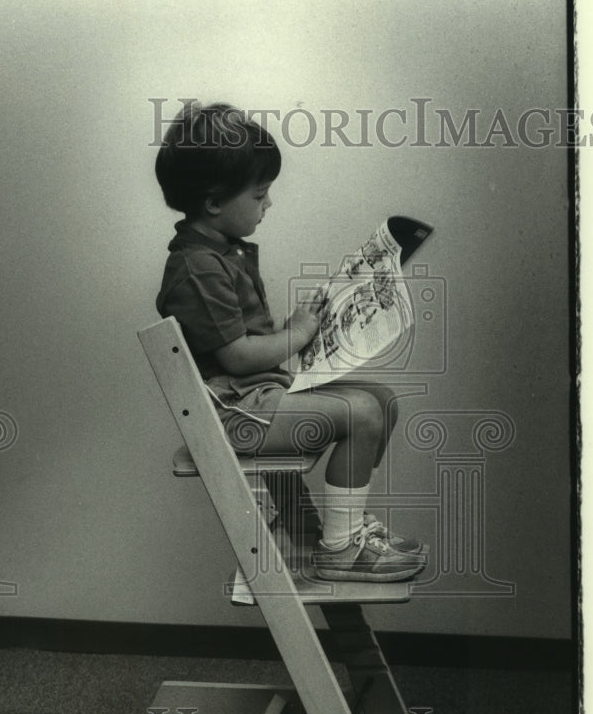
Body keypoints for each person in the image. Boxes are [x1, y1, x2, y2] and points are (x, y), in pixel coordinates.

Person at [155, 101, 426, 582]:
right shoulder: (196, 268)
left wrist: (311, 330)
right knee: (362, 413)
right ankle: (340, 548)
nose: (268, 205)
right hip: (237, 413)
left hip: (258, 396)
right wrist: (296, 334)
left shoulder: (218, 255)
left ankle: (350, 526)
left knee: (381, 402)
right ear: (214, 201)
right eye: (260, 196)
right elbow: (237, 356)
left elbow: (246, 341)